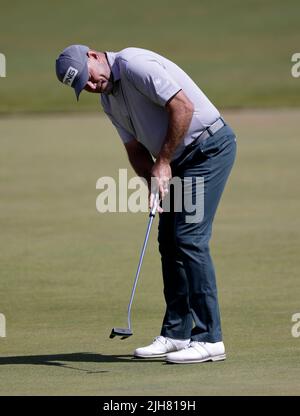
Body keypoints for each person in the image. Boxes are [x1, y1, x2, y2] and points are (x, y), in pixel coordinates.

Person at [56, 45, 236, 364]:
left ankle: (210, 338)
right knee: (169, 240)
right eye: (81, 85)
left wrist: (163, 162)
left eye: (88, 77)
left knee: (189, 239)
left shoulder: (135, 65)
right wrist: (151, 182)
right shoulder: (109, 100)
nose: (90, 85)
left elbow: (183, 107)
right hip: (179, 160)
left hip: (208, 149)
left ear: (94, 56)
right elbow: (135, 149)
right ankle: (177, 333)